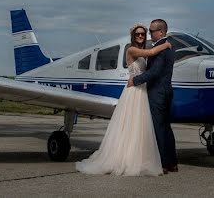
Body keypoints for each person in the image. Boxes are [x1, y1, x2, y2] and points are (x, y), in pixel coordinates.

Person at [75, 23, 171, 176]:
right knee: (130, 124)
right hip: (133, 91)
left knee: (140, 126)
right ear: (133, 36)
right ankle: (125, 158)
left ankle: (139, 157)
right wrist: (166, 44)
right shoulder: (131, 50)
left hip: (142, 91)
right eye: (137, 34)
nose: (140, 36)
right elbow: (152, 51)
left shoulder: (140, 51)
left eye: (142, 34)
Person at [127, 19, 178, 174]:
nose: (148, 34)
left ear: (161, 32)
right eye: (143, 33)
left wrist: (135, 80)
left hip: (157, 93)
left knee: (159, 128)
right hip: (166, 91)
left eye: (150, 31)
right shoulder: (167, 47)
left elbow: (154, 72)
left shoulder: (161, 48)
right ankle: (172, 162)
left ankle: (163, 163)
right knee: (166, 128)